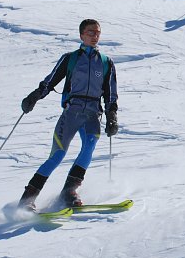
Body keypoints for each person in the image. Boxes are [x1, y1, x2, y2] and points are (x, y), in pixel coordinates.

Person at [17, 18, 119, 210]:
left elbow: (111, 93)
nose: (94, 36)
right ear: (81, 35)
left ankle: (69, 192)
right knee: (58, 154)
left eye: (97, 32)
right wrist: (34, 97)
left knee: (89, 147)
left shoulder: (106, 62)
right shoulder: (70, 58)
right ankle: (27, 199)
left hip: (92, 113)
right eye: (90, 32)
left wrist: (112, 116)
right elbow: (50, 81)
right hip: (72, 112)